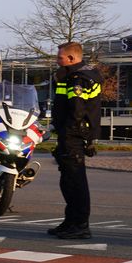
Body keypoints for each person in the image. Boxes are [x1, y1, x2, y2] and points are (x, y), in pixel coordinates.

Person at [46, 41, 102, 240]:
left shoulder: (78, 79)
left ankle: (80, 224)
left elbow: (76, 109)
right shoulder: (75, 75)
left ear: (71, 58)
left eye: (60, 57)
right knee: (67, 181)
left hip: (74, 135)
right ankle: (71, 221)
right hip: (71, 134)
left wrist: (67, 132)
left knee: (75, 181)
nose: (57, 60)